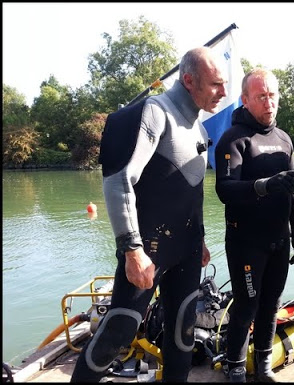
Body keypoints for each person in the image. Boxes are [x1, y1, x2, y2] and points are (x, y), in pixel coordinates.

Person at [70, 47, 227, 383]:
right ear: (188, 80)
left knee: (183, 332)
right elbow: (118, 182)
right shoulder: (156, 113)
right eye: (215, 84)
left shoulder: (199, 128)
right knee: (120, 328)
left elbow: (192, 191)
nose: (223, 92)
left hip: (186, 249)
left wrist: (199, 239)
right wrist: (131, 249)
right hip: (147, 248)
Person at [214, 68, 294, 382]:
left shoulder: (283, 139)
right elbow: (224, 189)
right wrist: (265, 185)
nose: (269, 103)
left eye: (272, 95)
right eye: (261, 96)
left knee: (271, 306)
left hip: (278, 240)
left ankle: (264, 365)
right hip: (246, 243)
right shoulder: (234, 139)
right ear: (246, 100)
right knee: (247, 305)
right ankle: (235, 368)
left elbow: (293, 190)